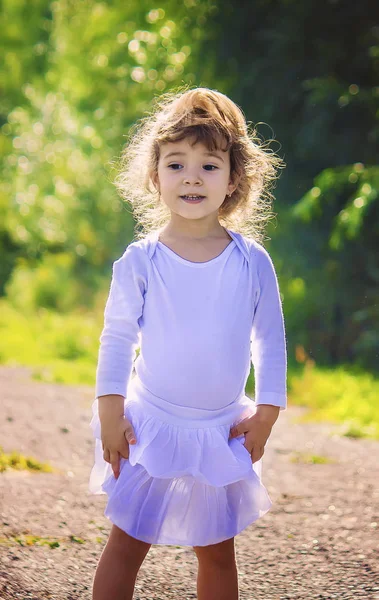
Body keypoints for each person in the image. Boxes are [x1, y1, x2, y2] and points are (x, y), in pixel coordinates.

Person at [89, 86, 287, 600]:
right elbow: (117, 338)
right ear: (155, 177)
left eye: (209, 165)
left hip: (220, 432)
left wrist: (267, 411)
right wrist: (111, 409)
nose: (192, 177)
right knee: (127, 543)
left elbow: (270, 338)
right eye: (176, 164)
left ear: (234, 178)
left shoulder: (251, 261)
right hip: (150, 425)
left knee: (218, 552)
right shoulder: (142, 260)